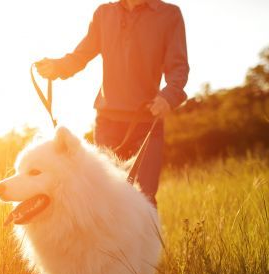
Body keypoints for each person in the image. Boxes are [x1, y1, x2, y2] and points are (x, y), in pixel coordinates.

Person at [36, 0, 189, 206]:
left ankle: (145, 239)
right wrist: (57, 67)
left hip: (147, 122)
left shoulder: (169, 15)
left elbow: (178, 67)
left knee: (143, 198)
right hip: (107, 122)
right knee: (105, 196)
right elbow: (80, 56)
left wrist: (168, 97)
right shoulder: (104, 13)